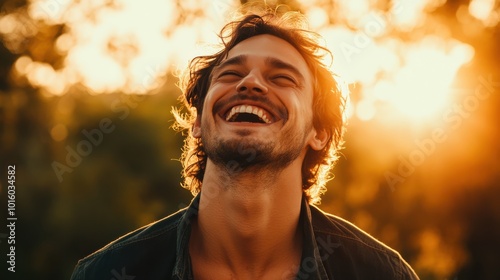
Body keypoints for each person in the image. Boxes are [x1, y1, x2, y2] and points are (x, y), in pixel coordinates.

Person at [70, 9, 420, 280]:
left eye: (282, 77)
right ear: (197, 123)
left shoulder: (380, 273)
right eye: (231, 74)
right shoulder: (109, 272)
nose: (250, 83)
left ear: (319, 132)